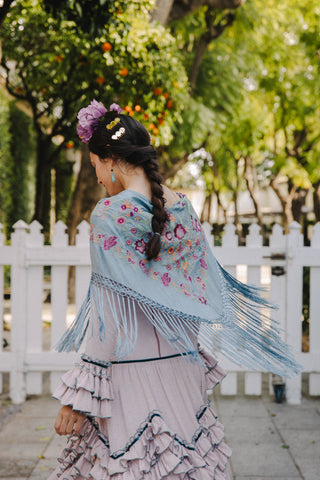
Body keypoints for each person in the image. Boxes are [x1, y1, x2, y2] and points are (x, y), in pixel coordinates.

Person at [49, 100, 302, 480]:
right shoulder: (183, 207)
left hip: (129, 381)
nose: (99, 177)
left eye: (96, 166)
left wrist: (79, 398)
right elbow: (198, 294)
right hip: (184, 371)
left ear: (111, 160)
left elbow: (107, 317)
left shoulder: (109, 214)